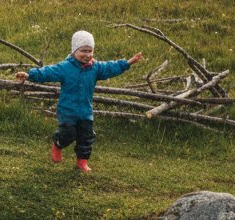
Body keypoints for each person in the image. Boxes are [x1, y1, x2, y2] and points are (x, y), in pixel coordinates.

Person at [15, 30, 142, 172]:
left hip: (85, 112)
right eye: (83, 51)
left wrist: (128, 63)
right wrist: (29, 75)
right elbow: (48, 72)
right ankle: (58, 145)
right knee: (67, 134)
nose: (87, 55)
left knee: (86, 138)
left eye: (90, 51)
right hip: (67, 110)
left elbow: (111, 67)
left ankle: (82, 162)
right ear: (74, 51)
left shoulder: (96, 68)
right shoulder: (65, 67)